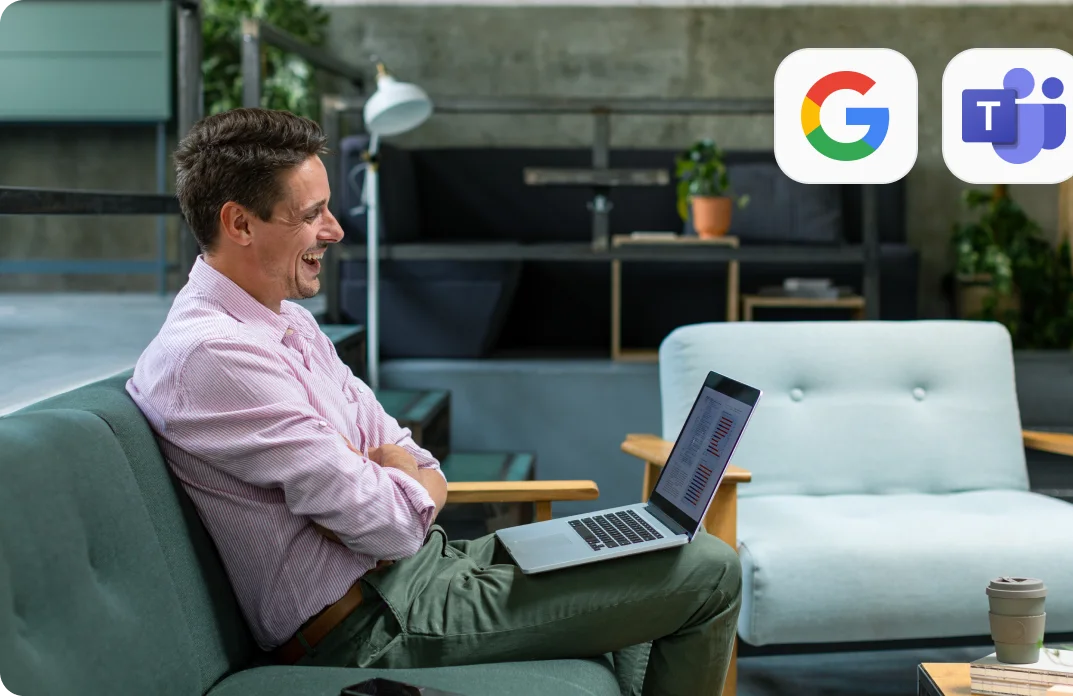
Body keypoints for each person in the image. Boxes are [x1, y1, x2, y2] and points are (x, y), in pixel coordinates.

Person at [127, 107, 742, 696]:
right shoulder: (213, 356)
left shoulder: (286, 322)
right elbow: (390, 524)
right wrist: (391, 474)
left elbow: (411, 454)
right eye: (312, 214)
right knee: (711, 571)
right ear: (240, 224)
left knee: (657, 552)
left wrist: (390, 467)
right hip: (370, 626)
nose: (335, 231)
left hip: (423, 575)